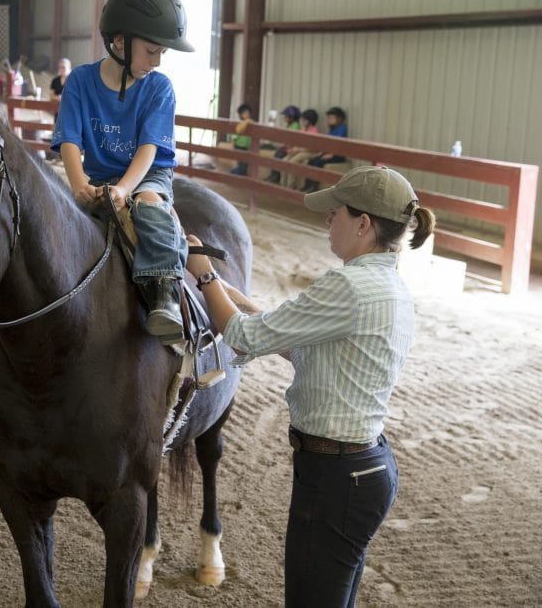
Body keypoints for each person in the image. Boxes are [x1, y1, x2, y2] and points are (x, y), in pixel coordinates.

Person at [186, 165, 436, 607]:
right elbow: (306, 349)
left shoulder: (348, 285)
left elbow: (243, 338)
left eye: (336, 212)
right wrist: (234, 294)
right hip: (362, 469)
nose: (328, 221)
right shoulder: (388, 284)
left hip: (336, 476)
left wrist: (203, 274)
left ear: (364, 224)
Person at [51, 0, 194, 345]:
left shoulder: (159, 88)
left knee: (149, 207)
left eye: (161, 52)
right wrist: (78, 183)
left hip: (146, 175)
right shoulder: (80, 81)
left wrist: (124, 190)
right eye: (150, 51)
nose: (157, 61)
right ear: (118, 42)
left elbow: (149, 147)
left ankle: (165, 291)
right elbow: (69, 137)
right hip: (98, 174)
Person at [301, 106, 350, 191]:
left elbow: (339, 145)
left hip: (337, 155)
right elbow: (327, 143)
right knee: (311, 161)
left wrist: (331, 155)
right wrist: (321, 153)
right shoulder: (332, 129)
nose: (329, 119)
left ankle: (313, 185)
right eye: (329, 117)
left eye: (332, 117)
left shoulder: (342, 128)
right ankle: (308, 184)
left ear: (340, 119)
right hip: (329, 152)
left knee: (318, 162)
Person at [281, 108, 320, 190]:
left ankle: (290, 186)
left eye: (305, 120)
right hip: (300, 151)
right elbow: (298, 142)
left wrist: (297, 150)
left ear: (310, 120)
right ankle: (283, 184)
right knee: (284, 161)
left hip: (309, 152)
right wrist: (293, 149)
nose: (302, 121)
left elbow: (310, 148)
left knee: (292, 162)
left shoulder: (314, 131)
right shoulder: (303, 129)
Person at [264, 104, 302, 183]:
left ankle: (276, 176)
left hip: (290, 148)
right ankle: (273, 175)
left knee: (279, 156)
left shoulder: (295, 125)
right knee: (276, 154)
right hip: (286, 146)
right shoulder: (290, 125)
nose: (285, 118)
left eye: (287, 116)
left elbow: (291, 138)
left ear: (292, 117)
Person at [227, 103, 254, 175]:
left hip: (246, 147)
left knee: (244, 164)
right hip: (239, 146)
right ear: (241, 115)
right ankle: (232, 174)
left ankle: (235, 174)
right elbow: (236, 133)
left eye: (248, 113)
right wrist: (233, 145)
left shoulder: (251, 123)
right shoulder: (240, 124)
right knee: (241, 165)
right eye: (245, 113)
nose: (247, 114)